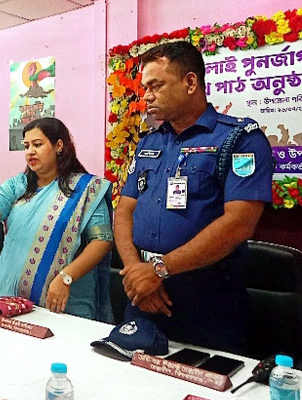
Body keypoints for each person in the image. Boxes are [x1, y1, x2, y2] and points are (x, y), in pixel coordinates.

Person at [114, 41, 273, 354]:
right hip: (143, 296)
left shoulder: (239, 139)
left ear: (190, 82)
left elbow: (239, 223)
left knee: (202, 377)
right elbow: (124, 211)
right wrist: (137, 274)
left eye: (156, 86)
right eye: (145, 88)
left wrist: (158, 270)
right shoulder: (150, 142)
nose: (147, 96)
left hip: (207, 299)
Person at [0, 117, 114, 321]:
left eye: (37, 144)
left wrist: (66, 277)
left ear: (59, 146)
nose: (30, 151)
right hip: (10, 301)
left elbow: (102, 241)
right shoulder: (19, 185)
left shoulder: (86, 190)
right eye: (26, 146)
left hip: (63, 302)